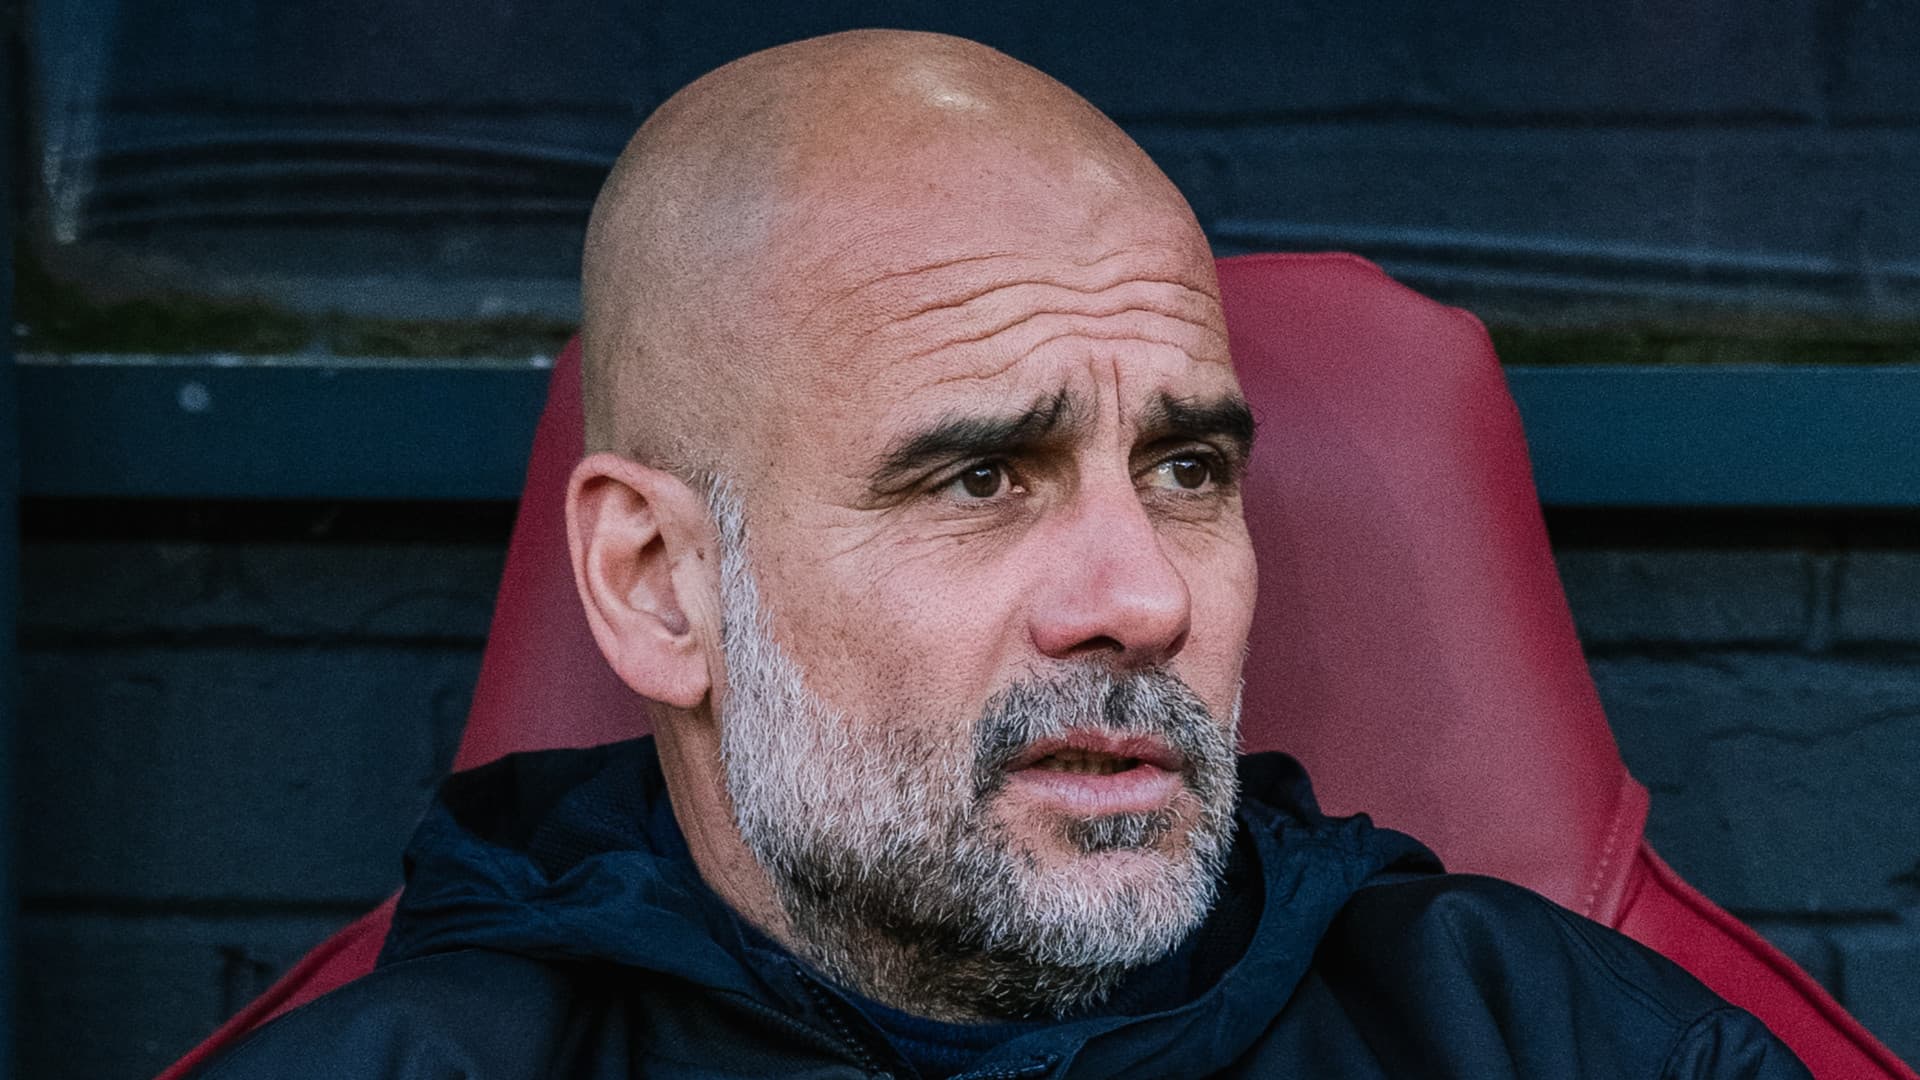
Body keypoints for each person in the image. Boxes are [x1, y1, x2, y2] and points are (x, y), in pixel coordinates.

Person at [198, 29, 1812, 1079]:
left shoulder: (1553, 1043)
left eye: (1187, 469)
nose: (1145, 598)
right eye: (980, 476)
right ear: (660, 585)